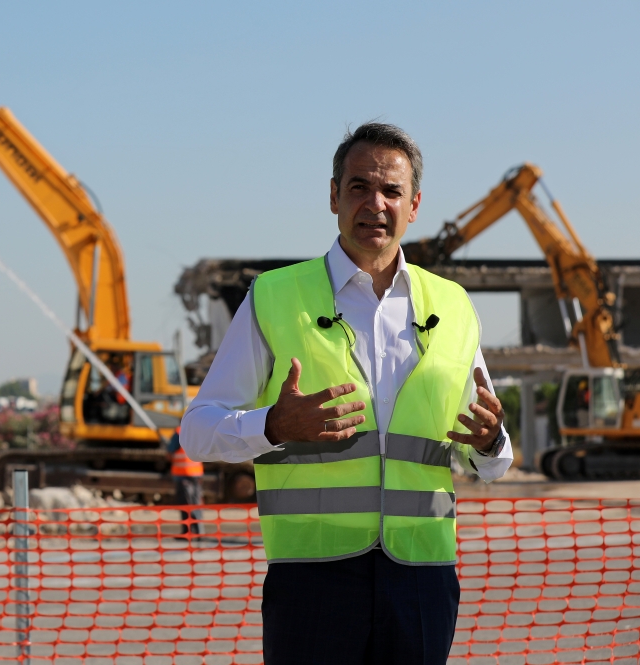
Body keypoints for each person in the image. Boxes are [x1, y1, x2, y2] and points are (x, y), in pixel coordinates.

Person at [180, 123, 512, 664]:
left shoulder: (452, 306)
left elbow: (493, 460)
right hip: (313, 580)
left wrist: (492, 440)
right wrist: (271, 426)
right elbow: (196, 431)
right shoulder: (274, 296)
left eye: (391, 191)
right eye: (359, 187)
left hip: (423, 579)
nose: (375, 203)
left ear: (415, 204)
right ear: (333, 195)